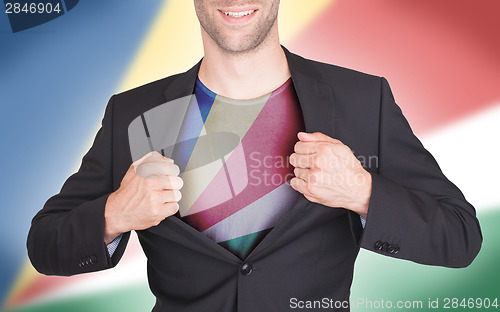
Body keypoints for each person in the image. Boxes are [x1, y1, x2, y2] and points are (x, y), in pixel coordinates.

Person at [27, 1, 482, 311]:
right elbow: (45, 246)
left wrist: (363, 192)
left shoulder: (363, 100)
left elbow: (460, 237)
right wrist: (114, 214)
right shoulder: (134, 113)